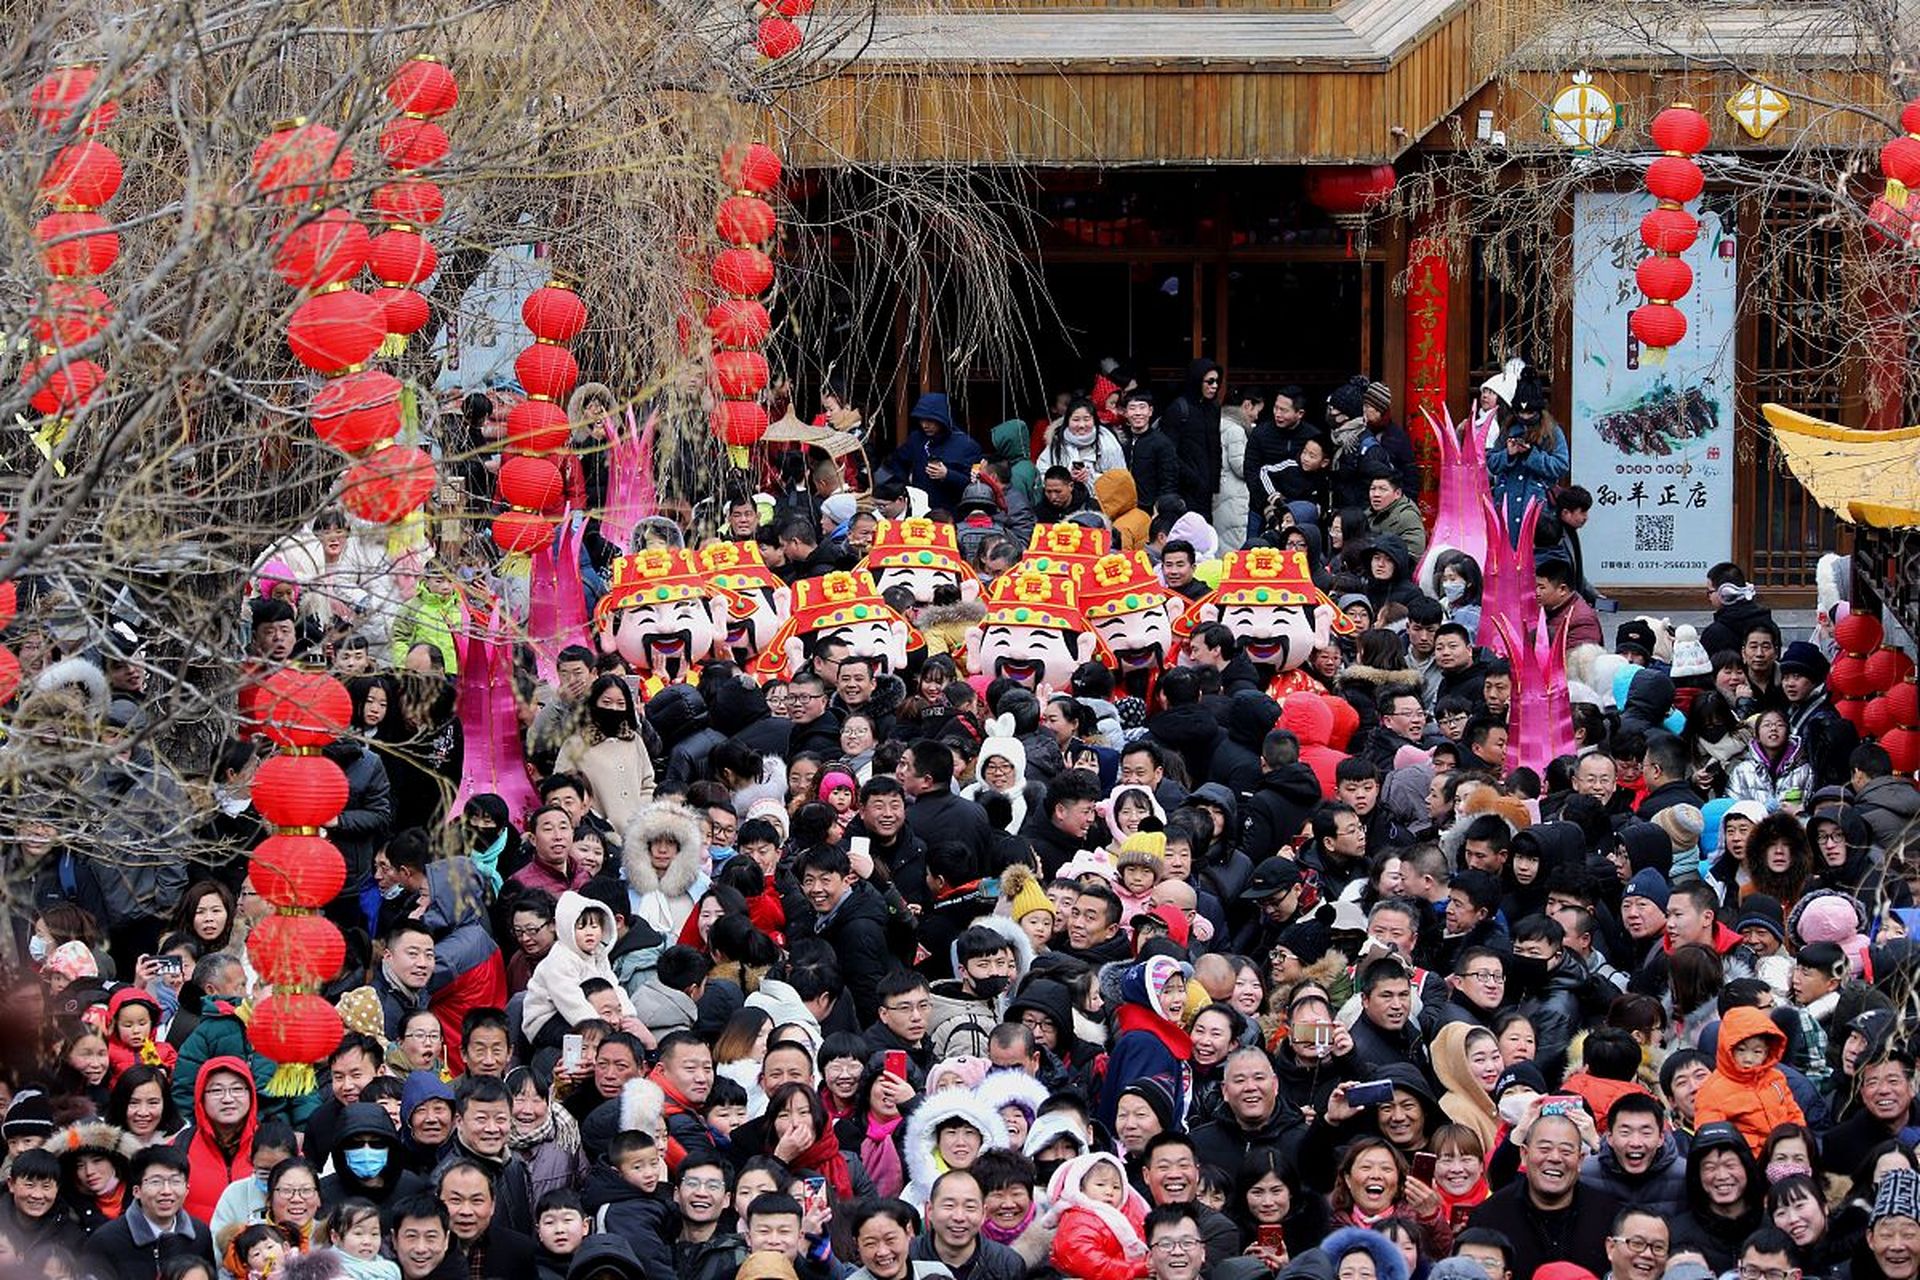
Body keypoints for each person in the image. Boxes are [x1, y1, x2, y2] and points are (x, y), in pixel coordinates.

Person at [1468, 1108, 1620, 1278]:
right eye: (1544, 1149)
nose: (1555, 1158)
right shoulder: (1489, 1217)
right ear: (1524, 1154)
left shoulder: (1610, 1215)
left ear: (1580, 1160)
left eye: (1566, 1151)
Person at [80, 1146, 216, 1280]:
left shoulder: (199, 1234)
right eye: (156, 1182)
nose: (166, 1191)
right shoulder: (105, 1242)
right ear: (136, 1191)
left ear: (186, 1189)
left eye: (175, 1181)